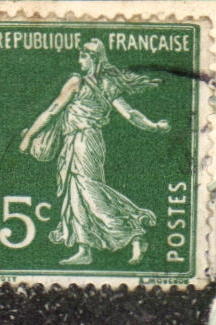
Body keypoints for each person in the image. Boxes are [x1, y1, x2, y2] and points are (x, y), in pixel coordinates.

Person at [19, 39, 169, 266]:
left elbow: (52, 111)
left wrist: (30, 136)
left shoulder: (76, 82)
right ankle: (84, 249)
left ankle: (134, 234)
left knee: (89, 192)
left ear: (93, 58)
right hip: (82, 142)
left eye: (83, 57)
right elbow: (131, 115)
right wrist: (154, 126)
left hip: (83, 141)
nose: (79, 61)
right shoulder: (109, 85)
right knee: (76, 193)